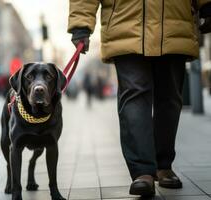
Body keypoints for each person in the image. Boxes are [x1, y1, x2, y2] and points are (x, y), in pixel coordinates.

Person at [68, 0, 211, 196]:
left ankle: (163, 165)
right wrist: (80, 24)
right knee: (134, 95)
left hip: (174, 21)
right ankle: (142, 172)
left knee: (170, 98)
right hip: (126, 21)